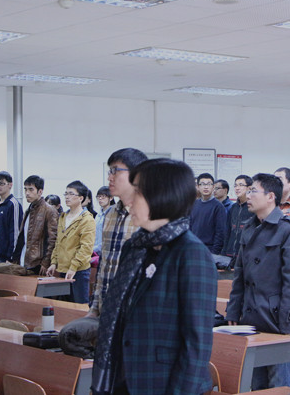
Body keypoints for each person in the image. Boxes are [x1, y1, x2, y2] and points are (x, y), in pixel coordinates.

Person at [92, 158, 217, 394]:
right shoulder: (135, 247)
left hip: (162, 382)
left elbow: (196, 344)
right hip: (123, 377)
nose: (128, 200)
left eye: (137, 192)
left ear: (161, 196)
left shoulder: (191, 253)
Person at [226, 173, 290, 390]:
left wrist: (288, 323)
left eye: (253, 190)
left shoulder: (289, 228)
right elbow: (239, 275)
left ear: (271, 196)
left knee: (280, 384)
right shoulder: (249, 227)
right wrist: (233, 311)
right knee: (256, 385)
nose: (248, 195)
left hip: (276, 320)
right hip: (251, 319)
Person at [88, 148, 148, 317]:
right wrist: (94, 309)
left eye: (115, 171)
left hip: (133, 311)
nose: (109, 177)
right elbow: (104, 265)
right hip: (106, 307)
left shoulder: (149, 215)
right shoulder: (110, 213)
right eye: (109, 171)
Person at [47, 181, 96, 304]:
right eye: (66, 193)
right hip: (62, 268)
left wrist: (74, 267)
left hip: (78, 270)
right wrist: (53, 262)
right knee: (64, 307)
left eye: (71, 194)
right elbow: (58, 242)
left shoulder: (87, 219)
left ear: (81, 198)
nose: (67, 197)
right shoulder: (63, 217)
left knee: (79, 307)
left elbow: (86, 248)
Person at [11, 175, 58, 275]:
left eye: (31, 189)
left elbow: (53, 240)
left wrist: (46, 262)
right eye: (25, 189)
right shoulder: (29, 209)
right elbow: (22, 238)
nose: (27, 193)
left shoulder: (49, 210)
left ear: (40, 191)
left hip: (38, 263)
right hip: (23, 260)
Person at [190, 172, 227, 257]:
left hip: (209, 251)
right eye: (203, 184)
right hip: (193, 248)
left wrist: (214, 253)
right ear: (198, 187)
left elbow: (220, 232)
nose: (206, 187)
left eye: (209, 184)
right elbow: (190, 227)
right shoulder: (194, 204)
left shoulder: (218, 206)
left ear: (213, 187)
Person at [221, 175, 254, 268]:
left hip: (246, 255)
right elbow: (227, 231)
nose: (237, 188)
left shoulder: (253, 208)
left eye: (241, 185)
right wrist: (224, 252)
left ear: (249, 188)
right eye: (235, 185)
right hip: (230, 254)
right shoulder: (233, 208)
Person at [0, 171, 23, 263]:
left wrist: (11, 257)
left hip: (6, 258)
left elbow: (16, 233)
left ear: (10, 185)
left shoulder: (13, 204)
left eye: (2, 183)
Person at [92, 186, 114, 256]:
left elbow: (109, 238)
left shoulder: (113, 215)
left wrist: (93, 249)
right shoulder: (98, 215)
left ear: (111, 198)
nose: (100, 199)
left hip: (106, 252)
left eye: (103, 196)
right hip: (95, 252)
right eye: (99, 196)